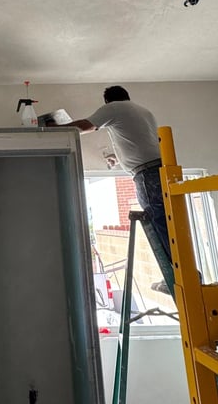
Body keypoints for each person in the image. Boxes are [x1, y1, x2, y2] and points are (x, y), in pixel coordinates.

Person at [55, 85, 172, 293]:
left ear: (108, 102)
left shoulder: (114, 108)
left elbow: (86, 125)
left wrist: (55, 130)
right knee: (167, 222)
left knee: (159, 222)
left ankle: (174, 276)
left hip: (147, 175)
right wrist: (117, 158)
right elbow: (140, 141)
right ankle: (184, 272)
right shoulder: (144, 112)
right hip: (160, 170)